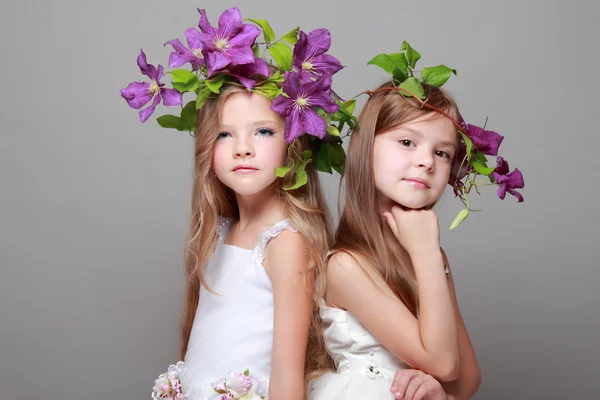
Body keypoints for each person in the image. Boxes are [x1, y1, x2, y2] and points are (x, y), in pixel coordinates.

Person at [121, 7, 347, 400]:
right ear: (206, 145)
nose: (243, 148)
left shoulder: (285, 243)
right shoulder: (222, 231)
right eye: (225, 134)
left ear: (294, 140)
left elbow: (287, 377)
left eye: (262, 131)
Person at [309, 43, 523, 399]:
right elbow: (443, 363)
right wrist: (426, 254)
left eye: (442, 152)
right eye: (407, 141)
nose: (427, 161)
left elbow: (466, 378)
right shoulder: (346, 265)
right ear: (366, 148)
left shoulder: (430, 254)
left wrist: (439, 393)